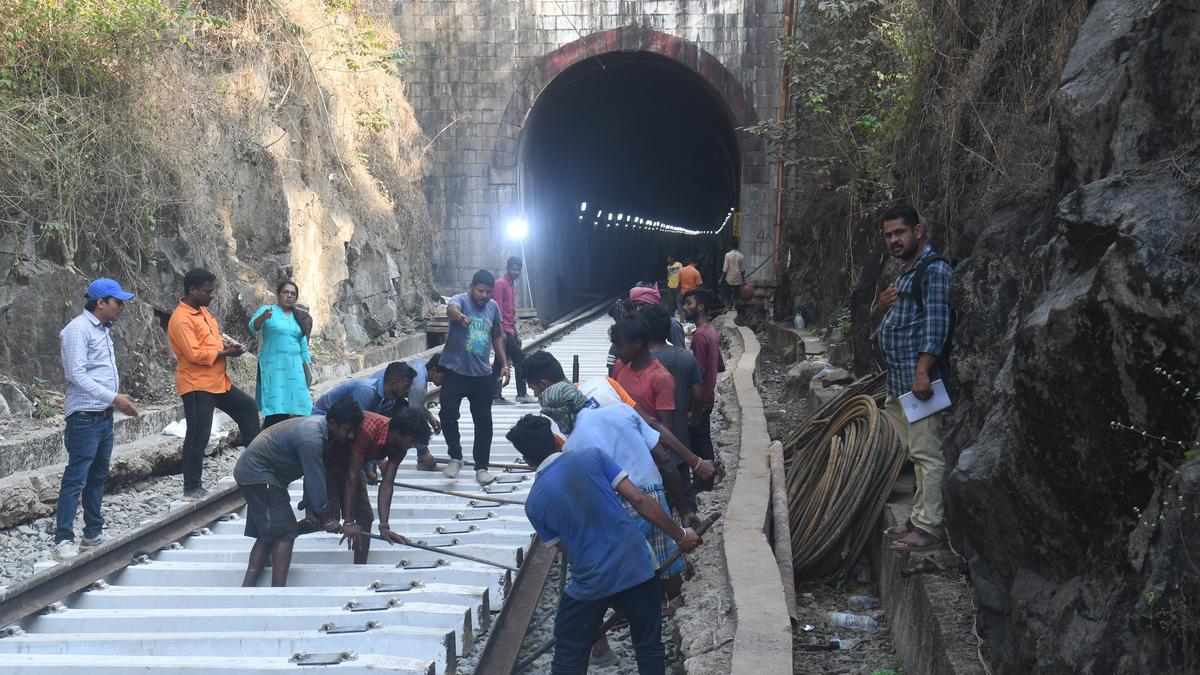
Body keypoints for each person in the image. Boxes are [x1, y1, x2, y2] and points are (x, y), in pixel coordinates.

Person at [506, 414, 700, 675]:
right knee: (648, 646)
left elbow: (567, 550)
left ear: (528, 461)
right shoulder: (593, 457)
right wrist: (680, 535)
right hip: (638, 566)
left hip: (592, 582)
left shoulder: (534, 504)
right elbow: (639, 500)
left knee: (569, 650)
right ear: (556, 440)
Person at [876, 204, 952, 552]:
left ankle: (929, 527)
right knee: (908, 450)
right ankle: (917, 516)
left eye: (900, 233)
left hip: (918, 383)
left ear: (918, 232)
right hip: (898, 382)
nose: (894, 240)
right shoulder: (907, 273)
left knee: (926, 453)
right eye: (889, 235)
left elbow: (937, 324)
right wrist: (883, 305)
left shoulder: (933, 271)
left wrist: (923, 371)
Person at [52, 278, 140, 561]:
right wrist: (115, 398)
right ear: (100, 303)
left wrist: (113, 403)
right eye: (117, 302)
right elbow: (76, 375)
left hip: (102, 417)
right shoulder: (78, 330)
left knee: (97, 476)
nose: (122, 308)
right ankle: (63, 538)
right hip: (84, 418)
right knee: (76, 478)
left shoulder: (103, 329)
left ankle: (92, 532)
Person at [233, 398, 360, 587]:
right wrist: (326, 518)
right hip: (259, 474)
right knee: (286, 533)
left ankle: (248, 587)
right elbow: (314, 476)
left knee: (267, 535)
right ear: (333, 423)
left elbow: (314, 474)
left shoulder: (323, 432)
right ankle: (278, 590)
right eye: (347, 430)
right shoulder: (311, 437)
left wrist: (311, 508)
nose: (350, 436)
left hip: (259, 473)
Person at [167, 268, 260, 500]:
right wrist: (225, 352)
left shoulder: (204, 312)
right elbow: (194, 354)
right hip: (197, 384)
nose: (212, 295)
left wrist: (229, 348)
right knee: (198, 434)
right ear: (193, 290)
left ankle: (257, 466)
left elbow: (214, 340)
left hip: (218, 381)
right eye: (208, 291)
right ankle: (191, 487)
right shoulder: (181, 319)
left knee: (248, 409)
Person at [325, 408, 430, 563]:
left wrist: (384, 526)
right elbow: (352, 476)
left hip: (352, 467)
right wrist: (348, 522)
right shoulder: (370, 429)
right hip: (329, 465)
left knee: (365, 518)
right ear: (398, 432)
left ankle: (359, 568)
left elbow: (387, 484)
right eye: (412, 441)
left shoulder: (400, 447)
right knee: (328, 520)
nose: (412, 445)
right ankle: (285, 535)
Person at [439, 269, 508, 485]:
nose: (484, 295)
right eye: (480, 291)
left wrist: (504, 363)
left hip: (482, 375)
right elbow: (451, 309)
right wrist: (460, 317)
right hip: (455, 371)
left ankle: (482, 467)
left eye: (488, 292)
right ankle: (456, 456)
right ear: (471, 288)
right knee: (448, 414)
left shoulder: (493, 307)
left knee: (483, 422)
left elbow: (497, 335)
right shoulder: (460, 300)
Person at [640, 305, 703, 505]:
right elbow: (699, 396)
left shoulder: (638, 363)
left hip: (647, 450)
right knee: (685, 499)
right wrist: (694, 416)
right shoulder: (685, 357)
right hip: (680, 445)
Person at [249, 280, 313, 429]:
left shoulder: (299, 317)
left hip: (295, 368)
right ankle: (269, 441)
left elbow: (303, 347)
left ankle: (295, 437)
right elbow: (253, 326)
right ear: (278, 295)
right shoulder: (267, 310)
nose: (289, 296)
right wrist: (263, 317)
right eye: (285, 292)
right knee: (276, 407)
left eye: (293, 294)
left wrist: (309, 369)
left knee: (302, 405)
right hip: (274, 367)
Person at [683, 289, 723, 491]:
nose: (684, 307)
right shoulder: (711, 331)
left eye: (689, 303)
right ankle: (707, 479)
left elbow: (697, 373)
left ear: (700, 307)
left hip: (701, 398)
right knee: (703, 436)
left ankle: (703, 481)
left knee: (698, 439)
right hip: (710, 394)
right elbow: (720, 365)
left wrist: (691, 402)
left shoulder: (699, 336)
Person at [491, 256, 533, 404]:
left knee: (498, 362)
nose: (516, 272)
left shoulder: (511, 285)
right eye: (513, 269)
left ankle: (494, 395)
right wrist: (501, 333)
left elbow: (511, 311)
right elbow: (497, 311)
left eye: (518, 270)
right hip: (502, 330)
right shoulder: (500, 284)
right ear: (507, 268)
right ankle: (521, 394)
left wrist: (516, 332)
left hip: (509, 329)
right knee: (519, 358)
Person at [312, 362, 415, 416]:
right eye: (406, 387)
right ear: (393, 384)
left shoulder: (390, 400)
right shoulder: (366, 391)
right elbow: (357, 424)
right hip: (323, 414)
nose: (408, 391)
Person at [719, 240, 745, 307]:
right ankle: (733, 306)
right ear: (738, 246)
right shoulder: (741, 256)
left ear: (731, 246)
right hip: (737, 278)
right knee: (736, 292)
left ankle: (726, 306)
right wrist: (743, 279)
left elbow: (725, 268)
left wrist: (721, 279)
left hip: (729, 278)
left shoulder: (727, 255)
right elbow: (742, 270)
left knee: (725, 291)